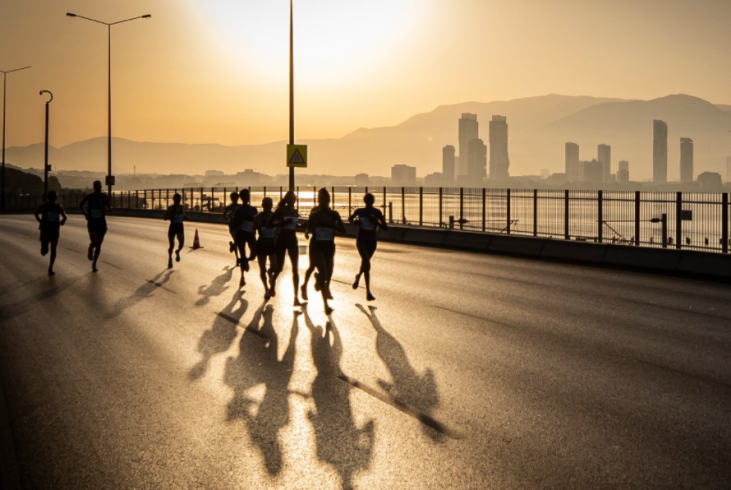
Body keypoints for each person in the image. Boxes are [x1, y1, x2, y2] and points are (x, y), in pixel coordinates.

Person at [306, 188, 346, 314]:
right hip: (316, 247)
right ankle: (326, 306)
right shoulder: (314, 215)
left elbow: (343, 230)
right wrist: (307, 232)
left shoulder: (334, 214)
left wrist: (330, 225)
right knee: (323, 273)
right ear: (318, 200)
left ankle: (318, 279)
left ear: (329, 200)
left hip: (329, 247)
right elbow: (309, 227)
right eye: (320, 199)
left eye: (325, 199)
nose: (322, 202)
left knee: (327, 274)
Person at [349, 193, 388, 301]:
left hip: (372, 241)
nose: (369, 202)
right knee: (367, 262)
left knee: (365, 264)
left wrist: (376, 222)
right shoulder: (359, 211)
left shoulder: (377, 212)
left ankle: (358, 277)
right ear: (365, 201)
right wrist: (355, 222)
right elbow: (350, 219)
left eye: (371, 200)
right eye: (368, 200)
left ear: (373, 201)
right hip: (361, 240)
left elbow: (386, 228)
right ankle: (368, 292)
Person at [267, 191, 302, 307]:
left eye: (295, 198)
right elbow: (268, 224)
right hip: (281, 239)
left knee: (295, 269)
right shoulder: (280, 210)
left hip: (292, 240)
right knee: (280, 267)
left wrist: (303, 226)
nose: (294, 200)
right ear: (288, 200)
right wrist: (281, 223)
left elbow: (295, 225)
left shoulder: (295, 212)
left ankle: (296, 297)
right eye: (292, 198)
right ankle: (273, 281)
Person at [79, 180, 111, 272]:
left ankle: (94, 263)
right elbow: (81, 204)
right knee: (95, 242)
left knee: (99, 245)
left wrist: (106, 209)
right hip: (92, 222)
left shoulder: (104, 197)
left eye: (99, 186)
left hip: (101, 222)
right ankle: (90, 248)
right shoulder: (90, 197)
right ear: (94, 187)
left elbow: (109, 208)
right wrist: (85, 214)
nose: (97, 188)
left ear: (101, 187)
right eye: (96, 186)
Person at [34, 190, 68, 276]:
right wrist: (41, 221)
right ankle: (44, 248)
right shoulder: (44, 206)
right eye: (51, 197)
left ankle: (51, 267)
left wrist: (63, 221)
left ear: (56, 197)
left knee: (53, 249)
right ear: (49, 197)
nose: (53, 198)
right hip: (45, 230)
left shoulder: (59, 207)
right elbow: (36, 213)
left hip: (54, 230)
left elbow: (64, 216)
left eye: (54, 197)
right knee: (44, 251)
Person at [253, 197, 278, 300]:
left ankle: (270, 274)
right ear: (262, 205)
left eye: (269, 204)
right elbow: (253, 232)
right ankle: (266, 289)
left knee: (274, 267)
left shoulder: (276, 217)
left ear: (272, 205)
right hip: (262, 245)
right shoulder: (258, 218)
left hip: (273, 245)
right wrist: (253, 246)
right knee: (262, 269)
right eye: (266, 204)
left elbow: (280, 230)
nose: (267, 206)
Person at [232, 189, 257, 288]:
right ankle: (242, 277)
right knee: (242, 255)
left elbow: (257, 222)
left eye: (248, 195)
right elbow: (235, 225)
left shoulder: (253, 209)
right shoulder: (239, 210)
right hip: (241, 233)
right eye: (245, 196)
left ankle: (246, 260)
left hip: (250, 234)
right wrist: (242, 219)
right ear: (242, 198)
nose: (247, 197)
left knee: (254, 255)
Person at [164, 193, 187, 268]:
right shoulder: (171, 208)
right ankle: (170, 259)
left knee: (182, 244)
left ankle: (178, 251)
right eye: (176, 199)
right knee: (171, 245)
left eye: (179, 199)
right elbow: (165, 217)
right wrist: (173, 215)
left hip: (180, 226)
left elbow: (183, 215)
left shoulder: (182, 207)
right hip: (173, 226)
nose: (178, 201)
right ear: (174, 200)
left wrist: (186, 217)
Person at [223, 191, 241, 266]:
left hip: (239, 225)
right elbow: (224, 215)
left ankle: (233, 246)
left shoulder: (240, 207)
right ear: (231, 199)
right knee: (237, 240)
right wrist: (226, 217)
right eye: (232, 198)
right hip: (232, 225)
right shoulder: (228, 207)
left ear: (238, 198)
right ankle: (237, 258)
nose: (234, 199)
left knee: (239, 242)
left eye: (235, 198)